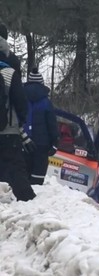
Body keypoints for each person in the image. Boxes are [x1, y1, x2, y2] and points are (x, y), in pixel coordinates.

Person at [0, 40, 36, 201]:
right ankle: (28, 202)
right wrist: (19, 122)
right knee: (15, 167)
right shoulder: (9, 72)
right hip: (8, 130)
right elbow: (21, 103)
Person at [23, 68, 60, 185]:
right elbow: (52, 124)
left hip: (24, 142)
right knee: (38, 176)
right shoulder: (45, 102)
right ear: (41, 83)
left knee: (23, 174)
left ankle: (22, 197)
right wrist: (55, 143)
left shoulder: (21, 98)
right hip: (42, 143)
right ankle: (36, 196)